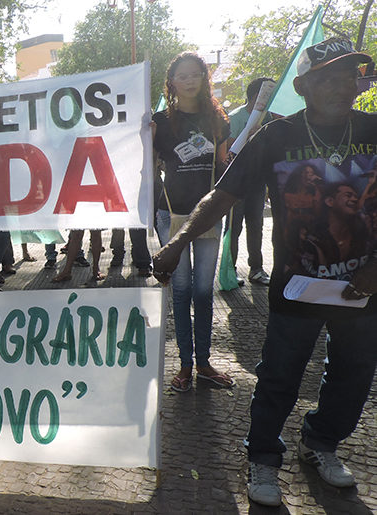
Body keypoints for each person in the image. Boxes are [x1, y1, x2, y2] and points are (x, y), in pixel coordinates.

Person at [152, 38, 377, 507]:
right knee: (279, 375)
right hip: (297, 285)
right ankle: (263, 456)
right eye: (330, 77)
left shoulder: (375, 129)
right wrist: (178, 241)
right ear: (306, 86)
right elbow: (223, 194)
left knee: (354, 374)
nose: (344, 86)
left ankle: (321, 444)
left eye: (350, 76)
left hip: (364, 287)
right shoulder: (276, 137)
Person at [152, 52, 233, 393]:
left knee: (203, 291)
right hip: (170, 213)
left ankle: (204, 363)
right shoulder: (160, 122)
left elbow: (225, 163)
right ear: (172, 83)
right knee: (181, 291)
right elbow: (147, 166)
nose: (189, 80)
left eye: (195, 74)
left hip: (208, 215)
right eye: (182, 76)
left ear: (204, 77)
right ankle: (185, 365)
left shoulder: (218, 120)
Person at [225, 77, 277, 285]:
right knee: (233, 228)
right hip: (236, 184)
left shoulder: (270, 117)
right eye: (266, 95)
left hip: (258, 182)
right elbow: (228, 152)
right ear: (256, 96)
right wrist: (249, 137)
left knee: (256, 226)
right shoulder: (235, 117)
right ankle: (229, 271)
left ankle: (256, 269)